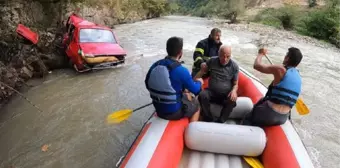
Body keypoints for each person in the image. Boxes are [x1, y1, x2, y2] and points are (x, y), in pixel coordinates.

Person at [145, 36, 204, 122]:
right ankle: (191, 130)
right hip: (173, 112)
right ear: (180, 52)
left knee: (185, 94)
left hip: (158, 109)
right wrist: (199, 82)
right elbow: (196, 90)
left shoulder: (154, 65)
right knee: (196, 105)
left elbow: (147, 84)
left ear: (167, 49)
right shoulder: (182, 70)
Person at [243, 47, 303, 127]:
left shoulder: (280, 69)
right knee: (262, 100)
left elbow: (256, 65)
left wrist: (260, 54)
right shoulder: (298, 76)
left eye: (286, 55)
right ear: (297, 63)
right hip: (283, 117)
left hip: (270, 113)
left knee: (247, 118)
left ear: (287, 58)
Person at [195, 45, 239, 123]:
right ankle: (208, 118)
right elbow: (201, 73)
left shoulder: (234, 66)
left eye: (228, 57)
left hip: (225, 94)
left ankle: (221, 120)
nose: (225, 59)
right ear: (218, 54)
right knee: (202, 95)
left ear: (230, 55)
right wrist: (200, 72)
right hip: (212, 92)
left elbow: (235, 84)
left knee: (232, 100)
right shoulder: (212, 61)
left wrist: (234, 91)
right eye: (222, 56)